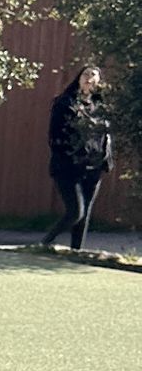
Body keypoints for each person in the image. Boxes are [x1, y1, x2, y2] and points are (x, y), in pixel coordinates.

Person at [42, 64, 113, 253]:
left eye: (93, 75)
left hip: (94, 167)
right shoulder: (65, 103)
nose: (88, 77)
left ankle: (76, 252)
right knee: (75, 212)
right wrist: (68, 155)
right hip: (68, 167)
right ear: (79, 78)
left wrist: (105, 159)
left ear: (99, 82)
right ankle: (44, 243)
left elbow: (106, 135)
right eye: (85, 74)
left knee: (85, 213)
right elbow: (55, 135)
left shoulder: (102, 107)